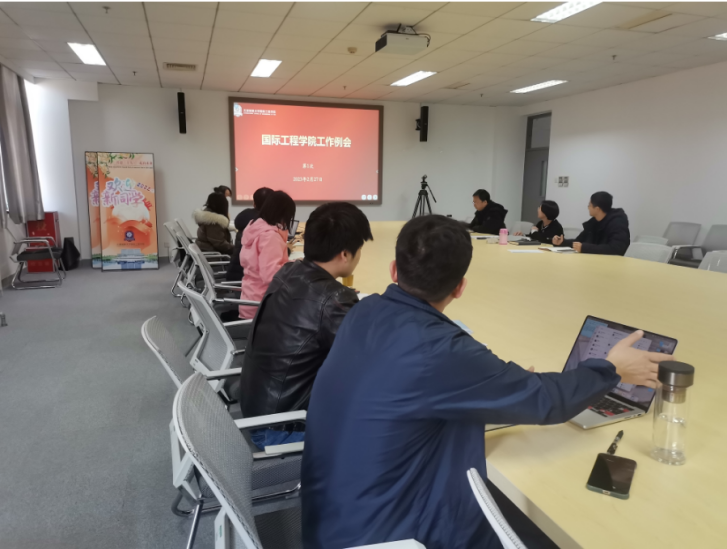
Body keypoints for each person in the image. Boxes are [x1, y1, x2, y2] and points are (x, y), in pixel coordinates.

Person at [301, 215, 668, 549]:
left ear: (394, 270)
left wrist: (491, 383)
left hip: (327, 518)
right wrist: (611, 368)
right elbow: (546, 401)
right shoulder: (441, 349)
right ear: (460, 287)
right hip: (386, 533)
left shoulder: (364, 310)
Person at [239, 202, 373, 450]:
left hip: (257, 408)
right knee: (388, 429)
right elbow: (368, 364)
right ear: (345, 254)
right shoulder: (334, 298)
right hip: (282, 428)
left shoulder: (290, 270)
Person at [238, 190, 296, 319]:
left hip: (250, 300)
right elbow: (271, 276)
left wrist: (292, 264)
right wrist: (297, 269)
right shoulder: (270, 236)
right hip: (264, 308)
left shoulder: (254, 229)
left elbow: (265, 267)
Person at [552, 191, 630, 255]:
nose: (588, 208)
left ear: (597, 209)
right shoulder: (593, 222)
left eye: (589, 205)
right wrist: (562, 242)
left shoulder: (617, 223)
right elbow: (579, 241)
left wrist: (585, 248)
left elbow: (616, 249)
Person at [226, 187, 273, 281]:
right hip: (247, 280)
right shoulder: (263, 224)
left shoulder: (247, 219)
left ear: (254, 203)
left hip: (237, 273)